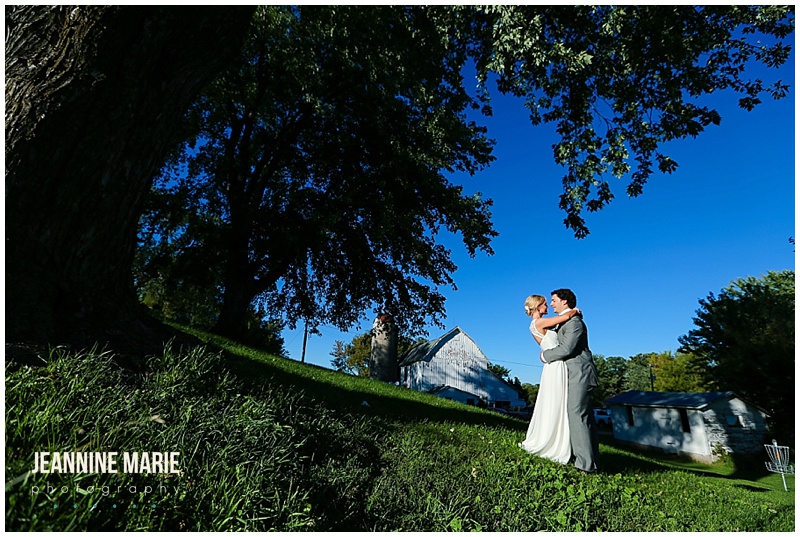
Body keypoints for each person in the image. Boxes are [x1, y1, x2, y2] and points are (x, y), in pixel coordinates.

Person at [540, 288, 600, 474]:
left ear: (564, 301)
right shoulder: (566, 320)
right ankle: (590, 461)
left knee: (577, 415)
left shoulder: (575, 323)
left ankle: (585, 466)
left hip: (580, 373)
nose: (551, 304)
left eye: (554, 300)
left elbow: (567, 348)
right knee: (582, 417)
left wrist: (545, 356)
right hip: (573, 374)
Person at [518, 294, 581, 464]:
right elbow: (565, 316)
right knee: (556, 402)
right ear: (538, 307)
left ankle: (558, 440)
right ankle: (552, 443)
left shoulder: (537, 323)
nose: (547, 306)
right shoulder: (538, 322)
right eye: (545, 304)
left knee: (556, 402)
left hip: (555, 365)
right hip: (555, 366)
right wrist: (575, 310)